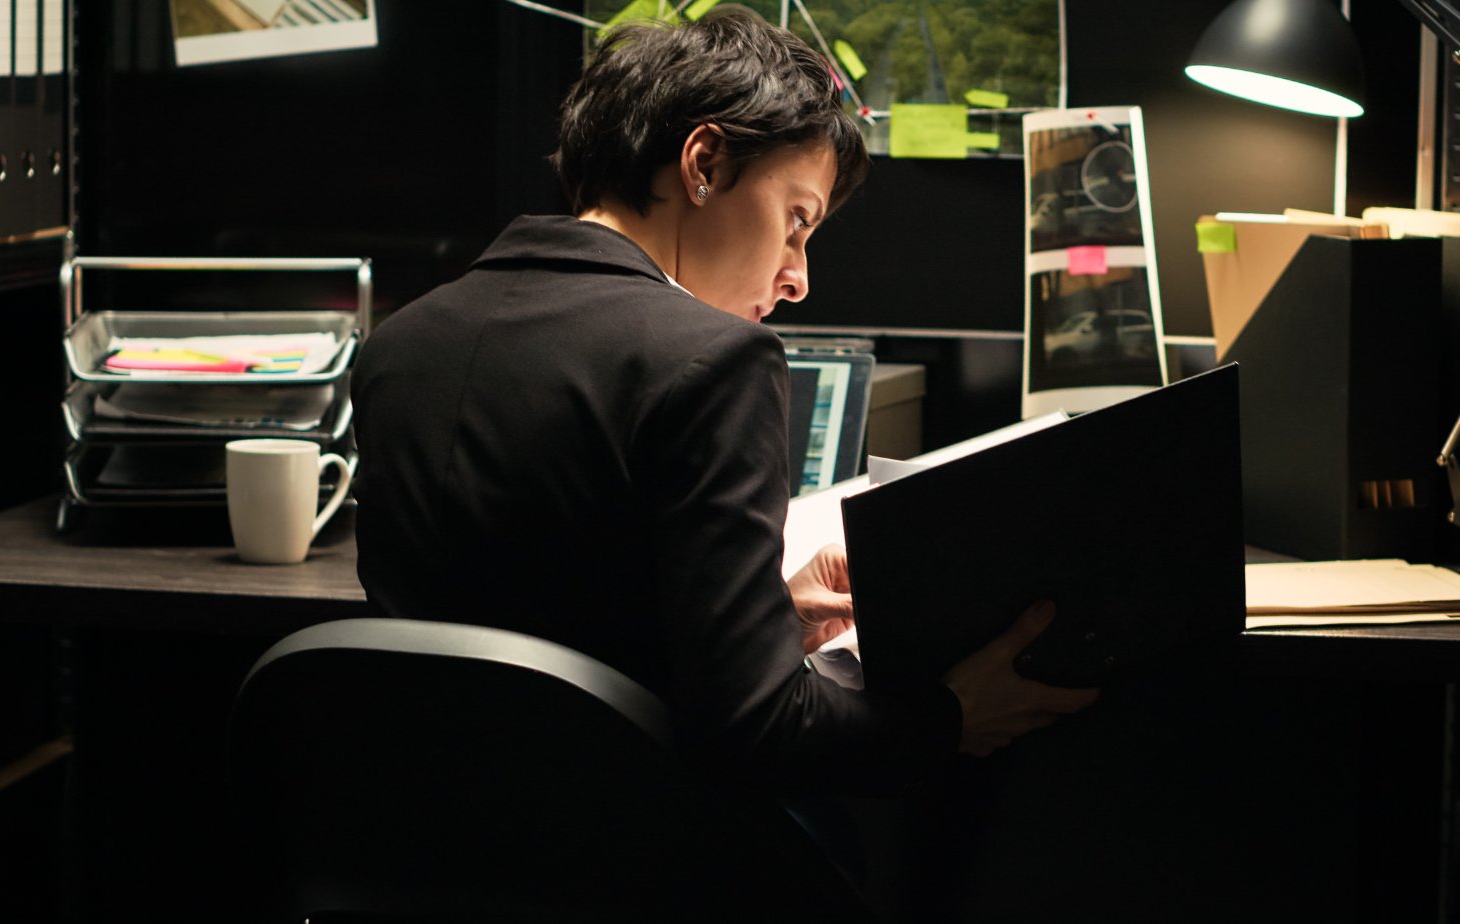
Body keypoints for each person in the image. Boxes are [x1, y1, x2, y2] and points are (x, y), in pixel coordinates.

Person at [351, 8, 1096, 797]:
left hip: (417, 825)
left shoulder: (400, 345)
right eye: (797, 221)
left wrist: (763, 620)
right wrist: (949, 717)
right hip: (634, 840)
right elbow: (760, 731)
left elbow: (542, 629)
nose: (798, 277)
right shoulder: (714, 360)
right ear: (703, 162)